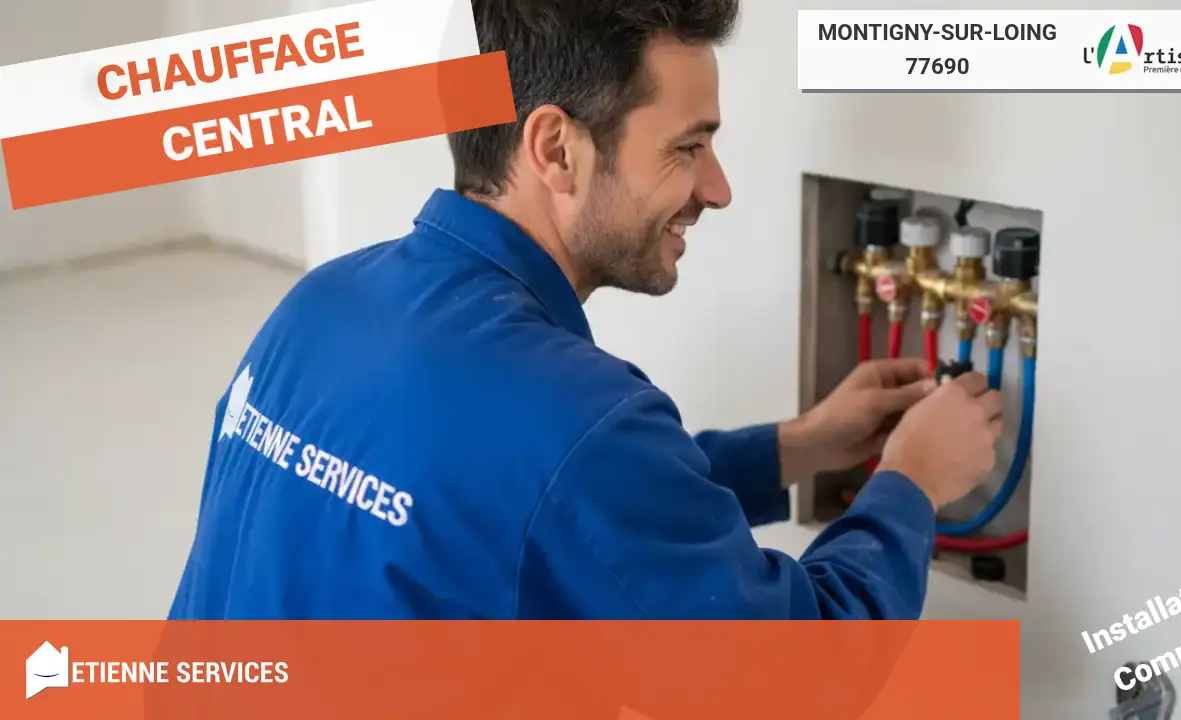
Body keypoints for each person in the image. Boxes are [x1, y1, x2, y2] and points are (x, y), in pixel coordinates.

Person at [167, 0, 1004, 621]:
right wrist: (911, 482)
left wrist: (795, 448)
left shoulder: (320, 303)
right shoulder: (574, 417)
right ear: (556, 148)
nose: (717, 188)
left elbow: (526, 498)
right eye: (688, 146)